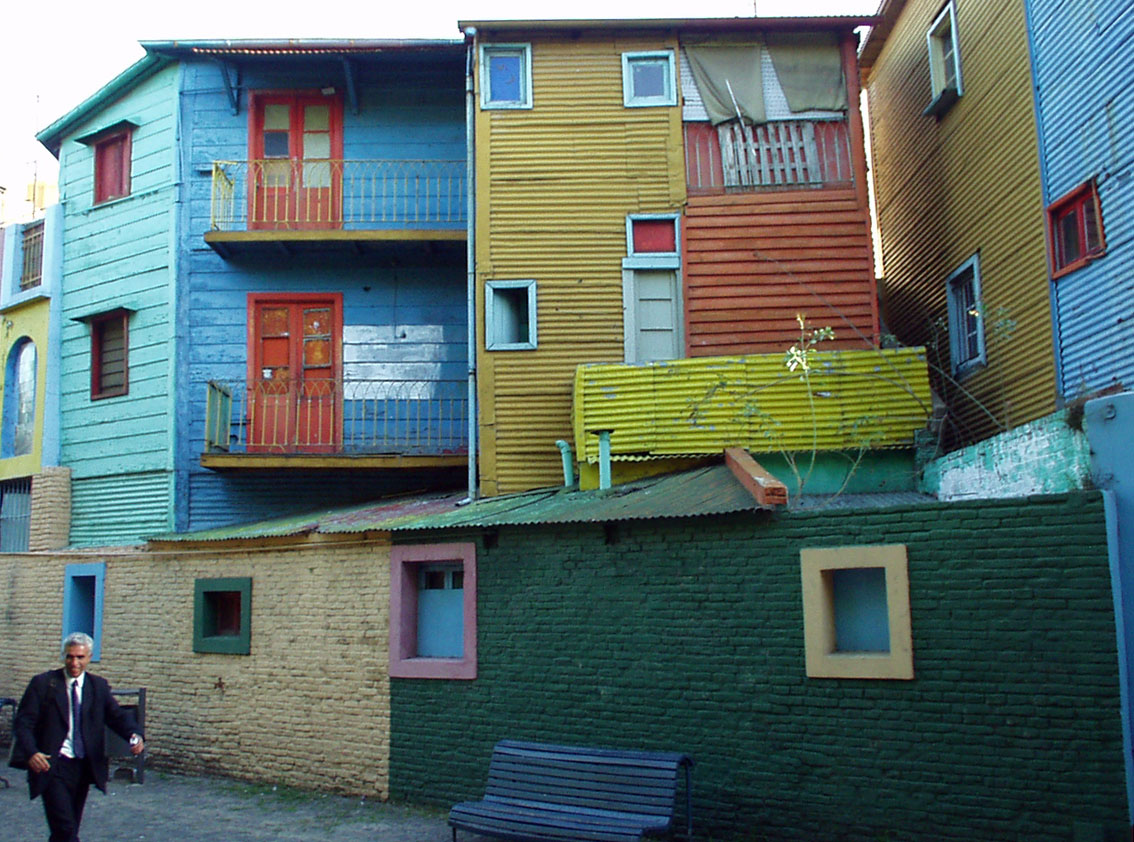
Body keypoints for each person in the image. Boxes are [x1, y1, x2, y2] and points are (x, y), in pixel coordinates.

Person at [9, 632, 145, 842]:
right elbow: (23, 723)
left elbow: (116, 716)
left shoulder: (97, 686)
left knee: (67, 827)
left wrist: (134, 735)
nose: (74, 663)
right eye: (70, 657)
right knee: (65, 828)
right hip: (52, 764)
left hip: (82, 765)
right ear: (63, 657)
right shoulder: (44, 684)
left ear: (89, 657)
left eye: (80, 657)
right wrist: (31, 752)